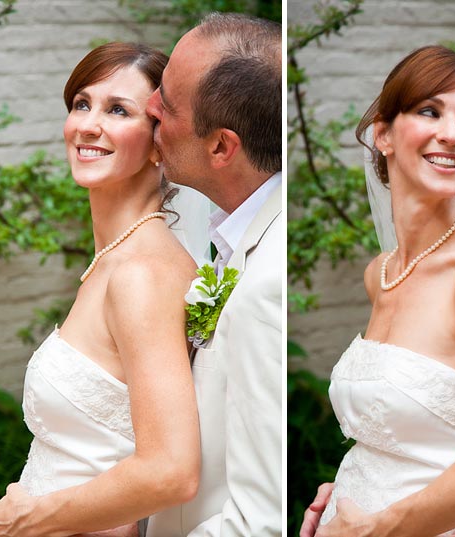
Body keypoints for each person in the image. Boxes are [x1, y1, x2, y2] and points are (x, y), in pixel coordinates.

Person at [300, 46, 455, 537]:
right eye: (430, 111)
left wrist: (371, 528)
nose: (452, 134)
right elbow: (397, 432)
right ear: (383, 135)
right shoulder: (382, 273)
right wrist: (345, 491)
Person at [0, 42, 203, 536]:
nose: (88, 124)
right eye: (82, 103)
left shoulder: (142, 274)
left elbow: (170, 470)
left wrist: (28, 519)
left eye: (118, 110)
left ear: (158, 141)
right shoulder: (116, 258)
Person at [143, 12, 283, 537]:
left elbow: (260, 523)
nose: (149, 106)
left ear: (222, 147)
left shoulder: (267, 287)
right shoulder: (231, 234)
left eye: (168, 103)